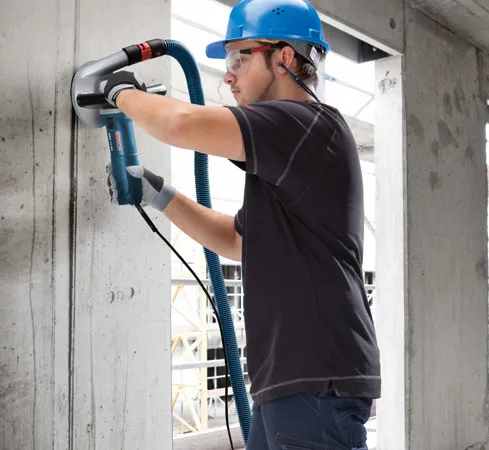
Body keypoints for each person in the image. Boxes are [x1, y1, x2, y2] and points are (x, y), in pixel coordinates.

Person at [99, 0, 381, 448]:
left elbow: (180, 123)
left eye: (238, 57)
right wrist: (159, 195)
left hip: (317, 376)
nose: (227, 74)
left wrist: (120, 93)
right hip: (290, 380)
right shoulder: (287, 157)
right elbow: (235, 240)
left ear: (284, 57)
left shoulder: (307, 124)